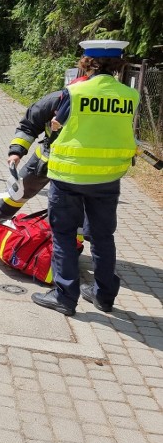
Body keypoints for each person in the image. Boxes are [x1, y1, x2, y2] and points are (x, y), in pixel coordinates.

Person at [31, 40, 139, 316]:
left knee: (64, 235)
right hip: (107, 178)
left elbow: (59, 124)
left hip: (69, 175)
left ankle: (65, 297)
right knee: (103, 237)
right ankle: (104, 296)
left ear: (86, 62)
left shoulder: (75, 92)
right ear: (118, 65)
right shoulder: (129, 95)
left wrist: (54, 126)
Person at [0, 74, 89, 226]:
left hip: (78, 165)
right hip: (46, 157)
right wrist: (16, 152)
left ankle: (72, 242)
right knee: (21, 187)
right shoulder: (53, 101)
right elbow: (29, 126)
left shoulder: (94, 111)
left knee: (73, 206)